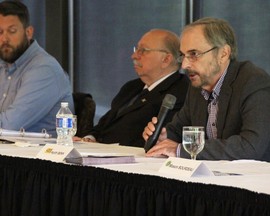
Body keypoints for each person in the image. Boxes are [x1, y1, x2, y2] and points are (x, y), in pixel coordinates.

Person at [143, 17, 270, 164]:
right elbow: (178, 131)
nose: (185, 65)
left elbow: (249, 146)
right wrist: (163, 137)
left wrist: (181, 150)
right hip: (217, 178)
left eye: (194, 54)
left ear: (223, 54)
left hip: (263, 181)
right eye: (183, 56)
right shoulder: (198, 87)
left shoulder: (254, 81)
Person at [74, 29, 190, 147]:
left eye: (143, 51)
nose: (134, 56)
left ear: (166, 59)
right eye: (136, 50)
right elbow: (106, 124)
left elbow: (158, 138)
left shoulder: (181, 92)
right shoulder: (131, 87)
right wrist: (89, 138)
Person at [0, 1, 73, 137]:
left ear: (28, 32)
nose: (4, 38)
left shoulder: (44, 69)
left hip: (39, 155)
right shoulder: (4, 66)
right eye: (0, 32)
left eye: (12, 31)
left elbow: (9, 126)